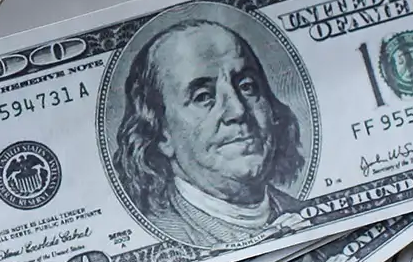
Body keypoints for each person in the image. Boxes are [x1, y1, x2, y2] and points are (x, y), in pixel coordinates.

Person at [113, 18, 306, 249]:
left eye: (247, 86)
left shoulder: (306, 214)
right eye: (203, 97)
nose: (238, 110)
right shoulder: (163, 235)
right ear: (161, 133)